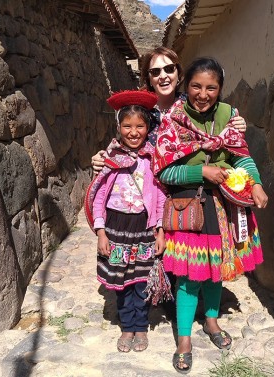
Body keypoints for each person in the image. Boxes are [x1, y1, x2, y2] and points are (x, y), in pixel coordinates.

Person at [153, 57, 268, 374]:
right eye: (196, 86)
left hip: (226, 208)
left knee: (216, 271)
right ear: (185, 85)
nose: (203, 94)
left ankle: (213, 323)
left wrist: (255, 184)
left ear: (220, 89)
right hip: (190, 209)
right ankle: (185, 339)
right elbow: (164, 173)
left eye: (211, 88)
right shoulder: (172, 121)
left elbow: (241, 157)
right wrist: (201, 171)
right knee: (189, 278)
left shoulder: (228, 116)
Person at [84, 90, 167, 353]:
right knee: (121, 282)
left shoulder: (152, 159)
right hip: (116, 229)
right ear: (119, 127)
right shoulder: (110, 159)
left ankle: (141, 327)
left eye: (140, 126)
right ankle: (127, 327)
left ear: (148, 127)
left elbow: (161, 197)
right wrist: (101, 232)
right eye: (127, 126)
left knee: (141, 281)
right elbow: (98, 197)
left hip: (143, 230)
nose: (133, 132)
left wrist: (160, 230)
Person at [90, 46, 247, 171]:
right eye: (155, 71)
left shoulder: (194, 104)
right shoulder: (140, 112)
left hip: (187, 190)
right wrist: (103, 156)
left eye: (169, 69)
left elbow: (218, 121)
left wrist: (234, 122)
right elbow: (125, 142)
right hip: (150, 191)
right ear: (149, 79)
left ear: (178, 73)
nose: (163, 75)